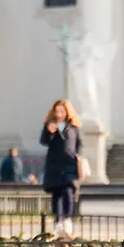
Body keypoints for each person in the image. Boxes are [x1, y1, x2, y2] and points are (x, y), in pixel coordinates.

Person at [40, 100, 83, 237]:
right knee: (57, 194)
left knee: (69, 192)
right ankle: (58, 221)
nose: (59, 114)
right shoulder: (50, 125)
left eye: (62, 111)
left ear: (67, 112)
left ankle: (68, 219)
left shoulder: (73, 127)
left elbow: (78, 144)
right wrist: (49, 132)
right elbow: (44, 141)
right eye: (57, 111)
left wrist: (77, 157)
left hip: (69, 164)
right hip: (55, 165)